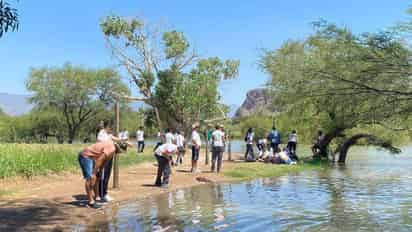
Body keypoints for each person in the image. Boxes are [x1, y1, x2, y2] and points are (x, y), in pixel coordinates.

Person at [78, 141, 129, 208]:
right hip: (86, 156)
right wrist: (94, 173)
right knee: (90, 178)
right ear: (119, 148)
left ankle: (96, 197)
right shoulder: (112, 148)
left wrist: (100, 171)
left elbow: (105, 161)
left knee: (97, 177)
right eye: (120, 151)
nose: (119, 153)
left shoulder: (112, 150)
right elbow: (100, 159)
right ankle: (91, 202)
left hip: (92, 157)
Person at [96, 121, 120, 203]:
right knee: (103, 175)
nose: (112, 129)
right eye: (111, 127)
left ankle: (103, 193)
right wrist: (112, 143)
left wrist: (124, 141)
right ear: (107, 127)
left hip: (109, 156)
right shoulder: (101, 133)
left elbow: (117, 139)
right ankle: (102, 194)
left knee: (107, 175)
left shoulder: (108, 135)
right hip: (104, 156)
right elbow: (101, 142)